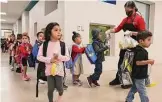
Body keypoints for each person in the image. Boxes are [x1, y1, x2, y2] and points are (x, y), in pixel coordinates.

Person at [106, 1, 146, 87]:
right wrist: (109, 31)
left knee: (131, 63)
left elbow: (143, 33)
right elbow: (117, 29)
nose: (127, 12)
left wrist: (132, 33)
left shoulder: (139, 19)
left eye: (128, 10)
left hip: (135, 44)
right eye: (125, 10)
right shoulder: (125, 19)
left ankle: (128, 81)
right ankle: (118, 78)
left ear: (134, 9)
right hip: (126, 43)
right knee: (121, 62)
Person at [37, 22, 70, 102]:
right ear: (49, 32)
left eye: (60, 30)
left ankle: (60, 96)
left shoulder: (62, 45)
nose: (59, 32)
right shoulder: (44, 45)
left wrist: (59, 56)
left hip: (59, 70)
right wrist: (50, 60)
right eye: (56, 30)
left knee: (60, 88)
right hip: (49, 71)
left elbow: (68, 58)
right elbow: (39, 57)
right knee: (50, 89)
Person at [125, 31, 153, 102]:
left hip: (136, 74)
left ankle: (128, 99)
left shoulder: (137, 49)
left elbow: (138, 60)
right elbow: (138, 62)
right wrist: (148, 61)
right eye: (148, 40)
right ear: (141, 41)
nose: (150, 42)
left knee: (134, 88)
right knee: (142, 91)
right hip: (139, 75)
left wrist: (147, 60)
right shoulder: (141, 51)